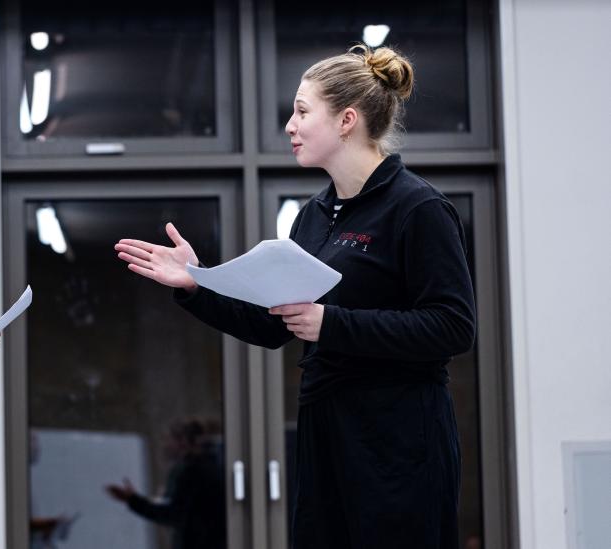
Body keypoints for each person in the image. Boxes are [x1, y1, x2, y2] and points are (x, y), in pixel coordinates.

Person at [115, 44, 475, 549]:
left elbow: (453, 327)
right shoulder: (313, 215)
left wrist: (332, 324)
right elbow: (271, 325)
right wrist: (197, 286)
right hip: (326, 429)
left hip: (399, 441)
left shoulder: (418, 209)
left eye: (302, 111)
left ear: (347, 120)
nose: (289, 124)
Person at [105, 418, 226, 549]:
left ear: (183, 441)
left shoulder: (193, 471)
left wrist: (133, 500)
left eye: (168, 439)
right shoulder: (208, 465)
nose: (164, 445)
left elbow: (174, 514)